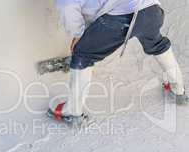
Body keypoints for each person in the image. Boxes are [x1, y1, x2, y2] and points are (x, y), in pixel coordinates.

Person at [48, 0, 189, 124]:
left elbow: (66, 5)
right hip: (151, 9)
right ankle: (178, 90)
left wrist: (78, 35)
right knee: (157, 43)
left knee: (82, 54)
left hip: (122, 17)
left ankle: (73, 112)